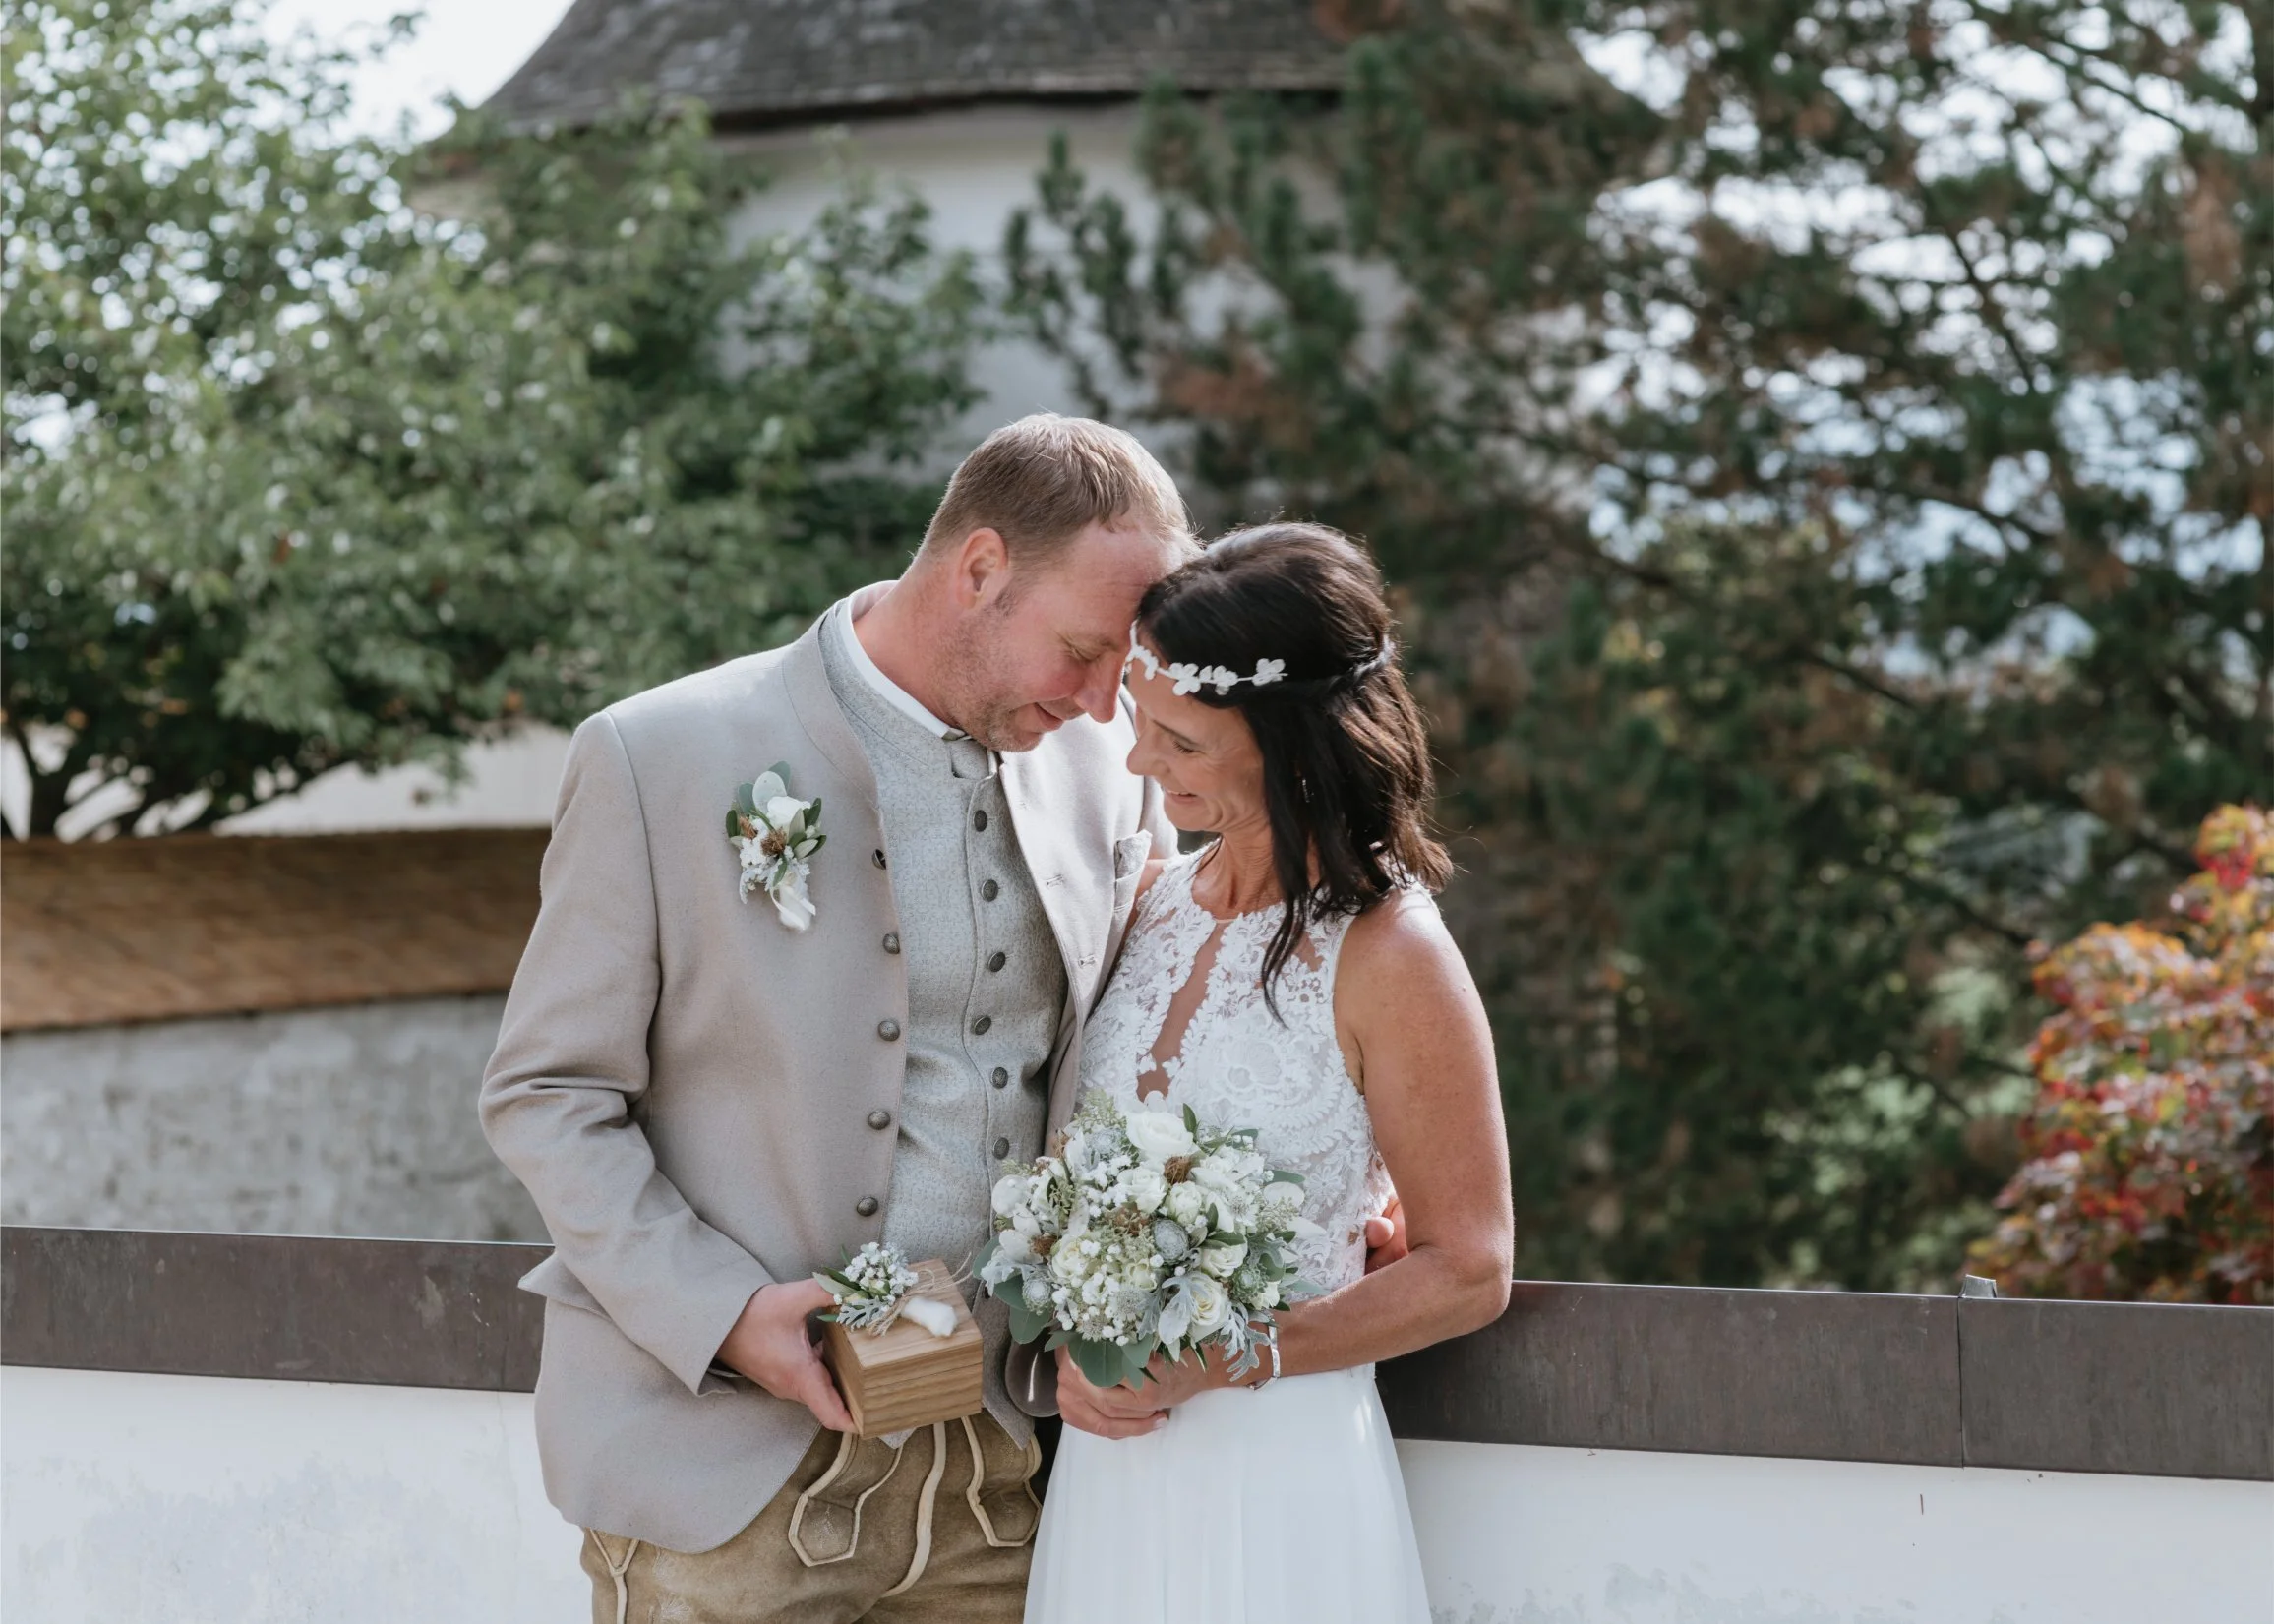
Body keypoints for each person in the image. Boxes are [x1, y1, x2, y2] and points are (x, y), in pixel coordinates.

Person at [480, 414, 1195, 1624]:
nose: (1095, 702)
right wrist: (721, 1316)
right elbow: (546, 1095)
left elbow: (1167, 1018)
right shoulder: (659, 756)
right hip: (721, 1483)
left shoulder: (1105, 769)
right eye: (1080, 652)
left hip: (1000, 1476)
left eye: (1118, 669)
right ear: (977, 569)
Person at [1023, 522, 1515, 1624]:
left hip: (1278, 1477)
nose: (1144, 766)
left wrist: (1223, 1357)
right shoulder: (1148, 903)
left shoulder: (1392, 954)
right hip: (1109, 1482)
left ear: (1295, 750)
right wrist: (1074, 1341)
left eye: (1183, 744)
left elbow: (1470, 1266)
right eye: (1142, 731)